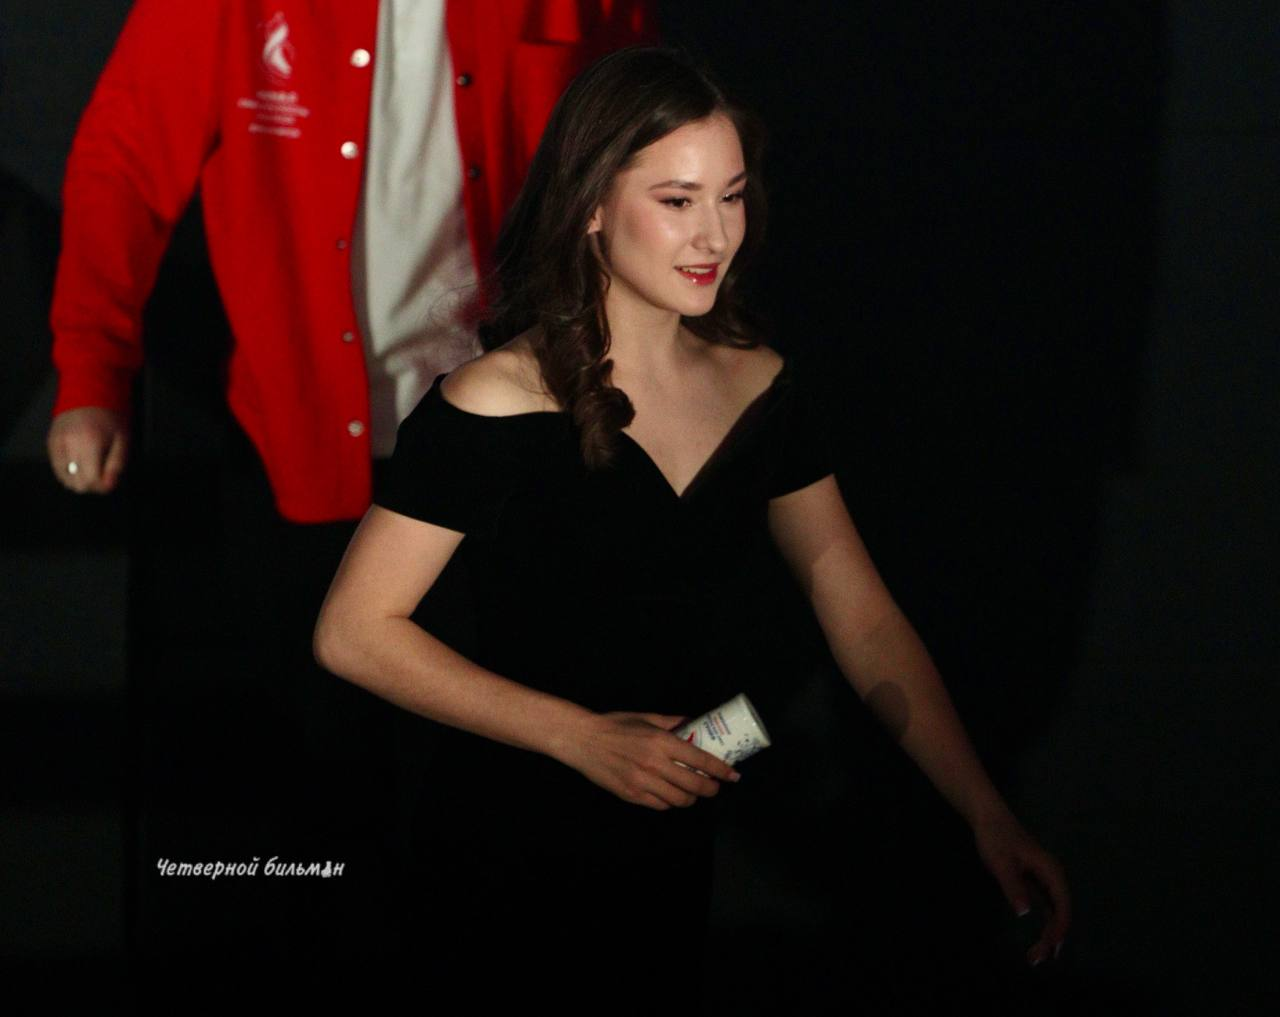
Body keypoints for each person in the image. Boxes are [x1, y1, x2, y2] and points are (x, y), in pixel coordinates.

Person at [314, 47, 1070, 999]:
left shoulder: (761, 386)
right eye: (677, 200)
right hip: (506, 846)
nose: (715, 234)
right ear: (591, 205)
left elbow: (864, 619)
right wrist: (582, 737)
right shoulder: (493, 401)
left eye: (733, 196)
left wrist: (985, 810)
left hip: (674, 842)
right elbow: (352, 632)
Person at [42, 0, 657, 956]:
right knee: (322, 790)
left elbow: (649, 162)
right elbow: (124, 159)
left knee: (502, 794)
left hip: (507, 452)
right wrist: (91, 374)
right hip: (295, 445)